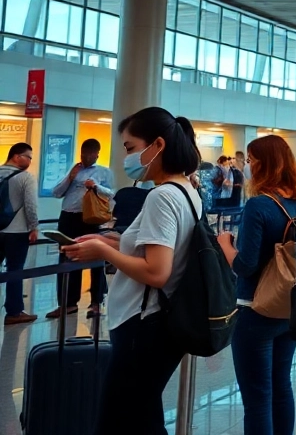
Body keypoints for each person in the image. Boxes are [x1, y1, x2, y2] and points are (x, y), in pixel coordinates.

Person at [58, 107, 204, 434]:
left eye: (130, 147)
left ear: (158, 145)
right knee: (142, 416)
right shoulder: (185, 190)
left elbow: (156, 271)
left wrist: (99, 250)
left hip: (144, 322)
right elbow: (159, 249)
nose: (127, 155)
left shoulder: (162, 197)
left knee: (117, 421)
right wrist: (114, 241)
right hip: (159, 322)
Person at [216, 134, 296, 435]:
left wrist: (226, 246)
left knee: (257, 398)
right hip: (290, 306)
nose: (249, 167)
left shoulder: (259, 206)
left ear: (265, 164)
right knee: (281, 386)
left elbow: (246, 265)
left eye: (252, 161)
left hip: (255, 310)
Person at [49, 138, 114, 319]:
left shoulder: (103, 172)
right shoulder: (74, 170)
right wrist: (70, 177)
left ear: (96, 154)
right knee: (67, 257)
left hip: (89, 219)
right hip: (68, 218)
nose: (85, 157)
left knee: (95, 259)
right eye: (83, 154)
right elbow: (56, 192)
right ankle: (67, 303)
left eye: (89, 154)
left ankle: (96, 303)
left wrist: (96, 186)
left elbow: (111, 193)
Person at [1, 143, 39, 325]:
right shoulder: (25, 178)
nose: (30, 161)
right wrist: (34, 227)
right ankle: (14, 312)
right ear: (17, 156)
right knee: (15, 270)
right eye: (28, 157)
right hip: (16, 232)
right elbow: (31, 205)